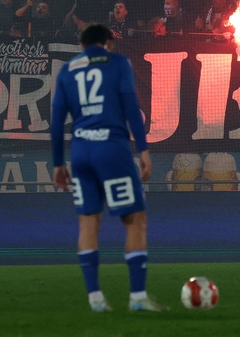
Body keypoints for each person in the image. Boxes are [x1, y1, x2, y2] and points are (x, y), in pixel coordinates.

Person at [50, 23, 167, 313]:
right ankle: (138, 298)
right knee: (135, 220)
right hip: (111, 150)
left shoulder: (67, 70)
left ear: (82, 46)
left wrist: (57, 163)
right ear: (109, 43)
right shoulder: (117, 63)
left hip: (81, 153)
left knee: (88, 223)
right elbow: (131, 109)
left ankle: (96, 300)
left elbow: (55, 122)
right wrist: (144, 150)